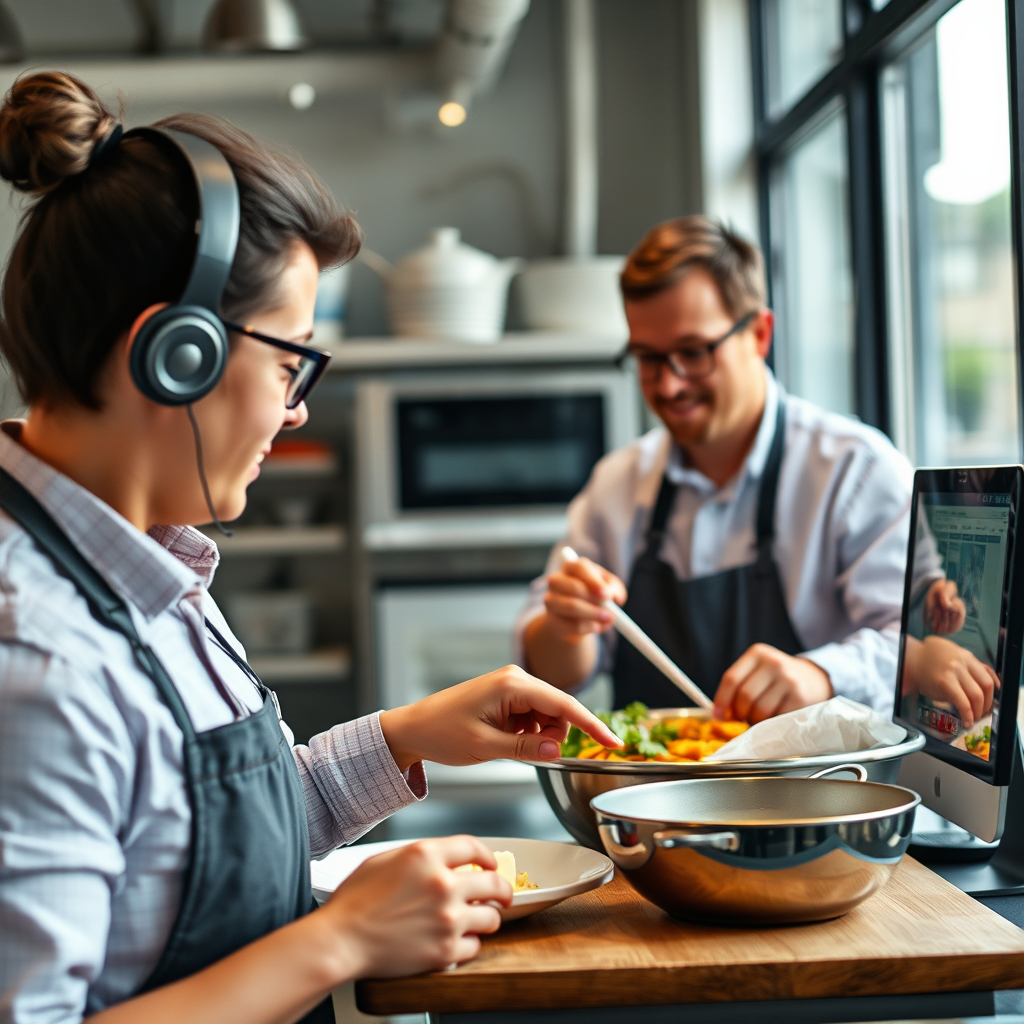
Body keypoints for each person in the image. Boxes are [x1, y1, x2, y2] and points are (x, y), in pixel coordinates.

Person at [0, 72, 618, 1024]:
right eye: (291, 362)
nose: (295, 412)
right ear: (176, 355)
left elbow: (207, 835)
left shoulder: (145, 559)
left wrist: (410, 734)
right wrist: (340, 939)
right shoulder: (32, 660)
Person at [518, 215, 914, 721]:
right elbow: (552, 674)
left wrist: (822, 675)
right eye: (647, 358)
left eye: (693, 352)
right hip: (644, 799)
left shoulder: (854, 471)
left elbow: (915, 650)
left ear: (759, 334)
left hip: (816, 793)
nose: (668, 386)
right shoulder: (617, 485)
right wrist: (565, 627)